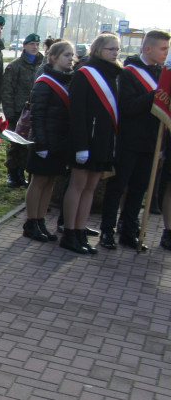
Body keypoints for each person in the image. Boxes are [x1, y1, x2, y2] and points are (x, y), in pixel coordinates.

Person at [98, 29, 171, 250]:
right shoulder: (128, 73)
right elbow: (128, 108)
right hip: (129, 140)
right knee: (118, 186)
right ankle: (107, 231)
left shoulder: (162, 73)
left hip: (151, 141)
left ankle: (129, 229)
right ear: (147, 49)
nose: (166, 53)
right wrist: (156, 94)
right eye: (163, 49)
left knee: (140, 188)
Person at [61, 33, 123, 254]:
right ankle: (69, 232)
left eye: (117, 49)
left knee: (91, 187)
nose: (116, 53)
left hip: (103, 140)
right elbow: (77, 112)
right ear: (98, 50)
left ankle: (79, 231)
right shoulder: (85, 73)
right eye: (111, 49)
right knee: (78, 185)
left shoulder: (115, 73)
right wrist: (81, 145)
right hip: (85, 140)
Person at [24, 39, 74, 242]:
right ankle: (31, 221)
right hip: (43, 141)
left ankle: (41, 220)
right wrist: (41, 144)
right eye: (66, 55)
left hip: (59, 142)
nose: (71, 59)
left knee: (51, 182)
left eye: (72, 55)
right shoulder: (44, 82)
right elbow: (38, 116)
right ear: (54, 57)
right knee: (39, 181)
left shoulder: (68, 80)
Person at [1, 33, 43, 187]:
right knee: (13, 145)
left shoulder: (42, 65)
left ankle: (22, 173)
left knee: (27, 145)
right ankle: (12, 173)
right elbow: (7, 90)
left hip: (34, 111)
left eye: (37, 45)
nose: (35, 47)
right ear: (24, 46)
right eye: (31, 44)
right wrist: (10, 112)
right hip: (17, 111)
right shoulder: (16, 66)